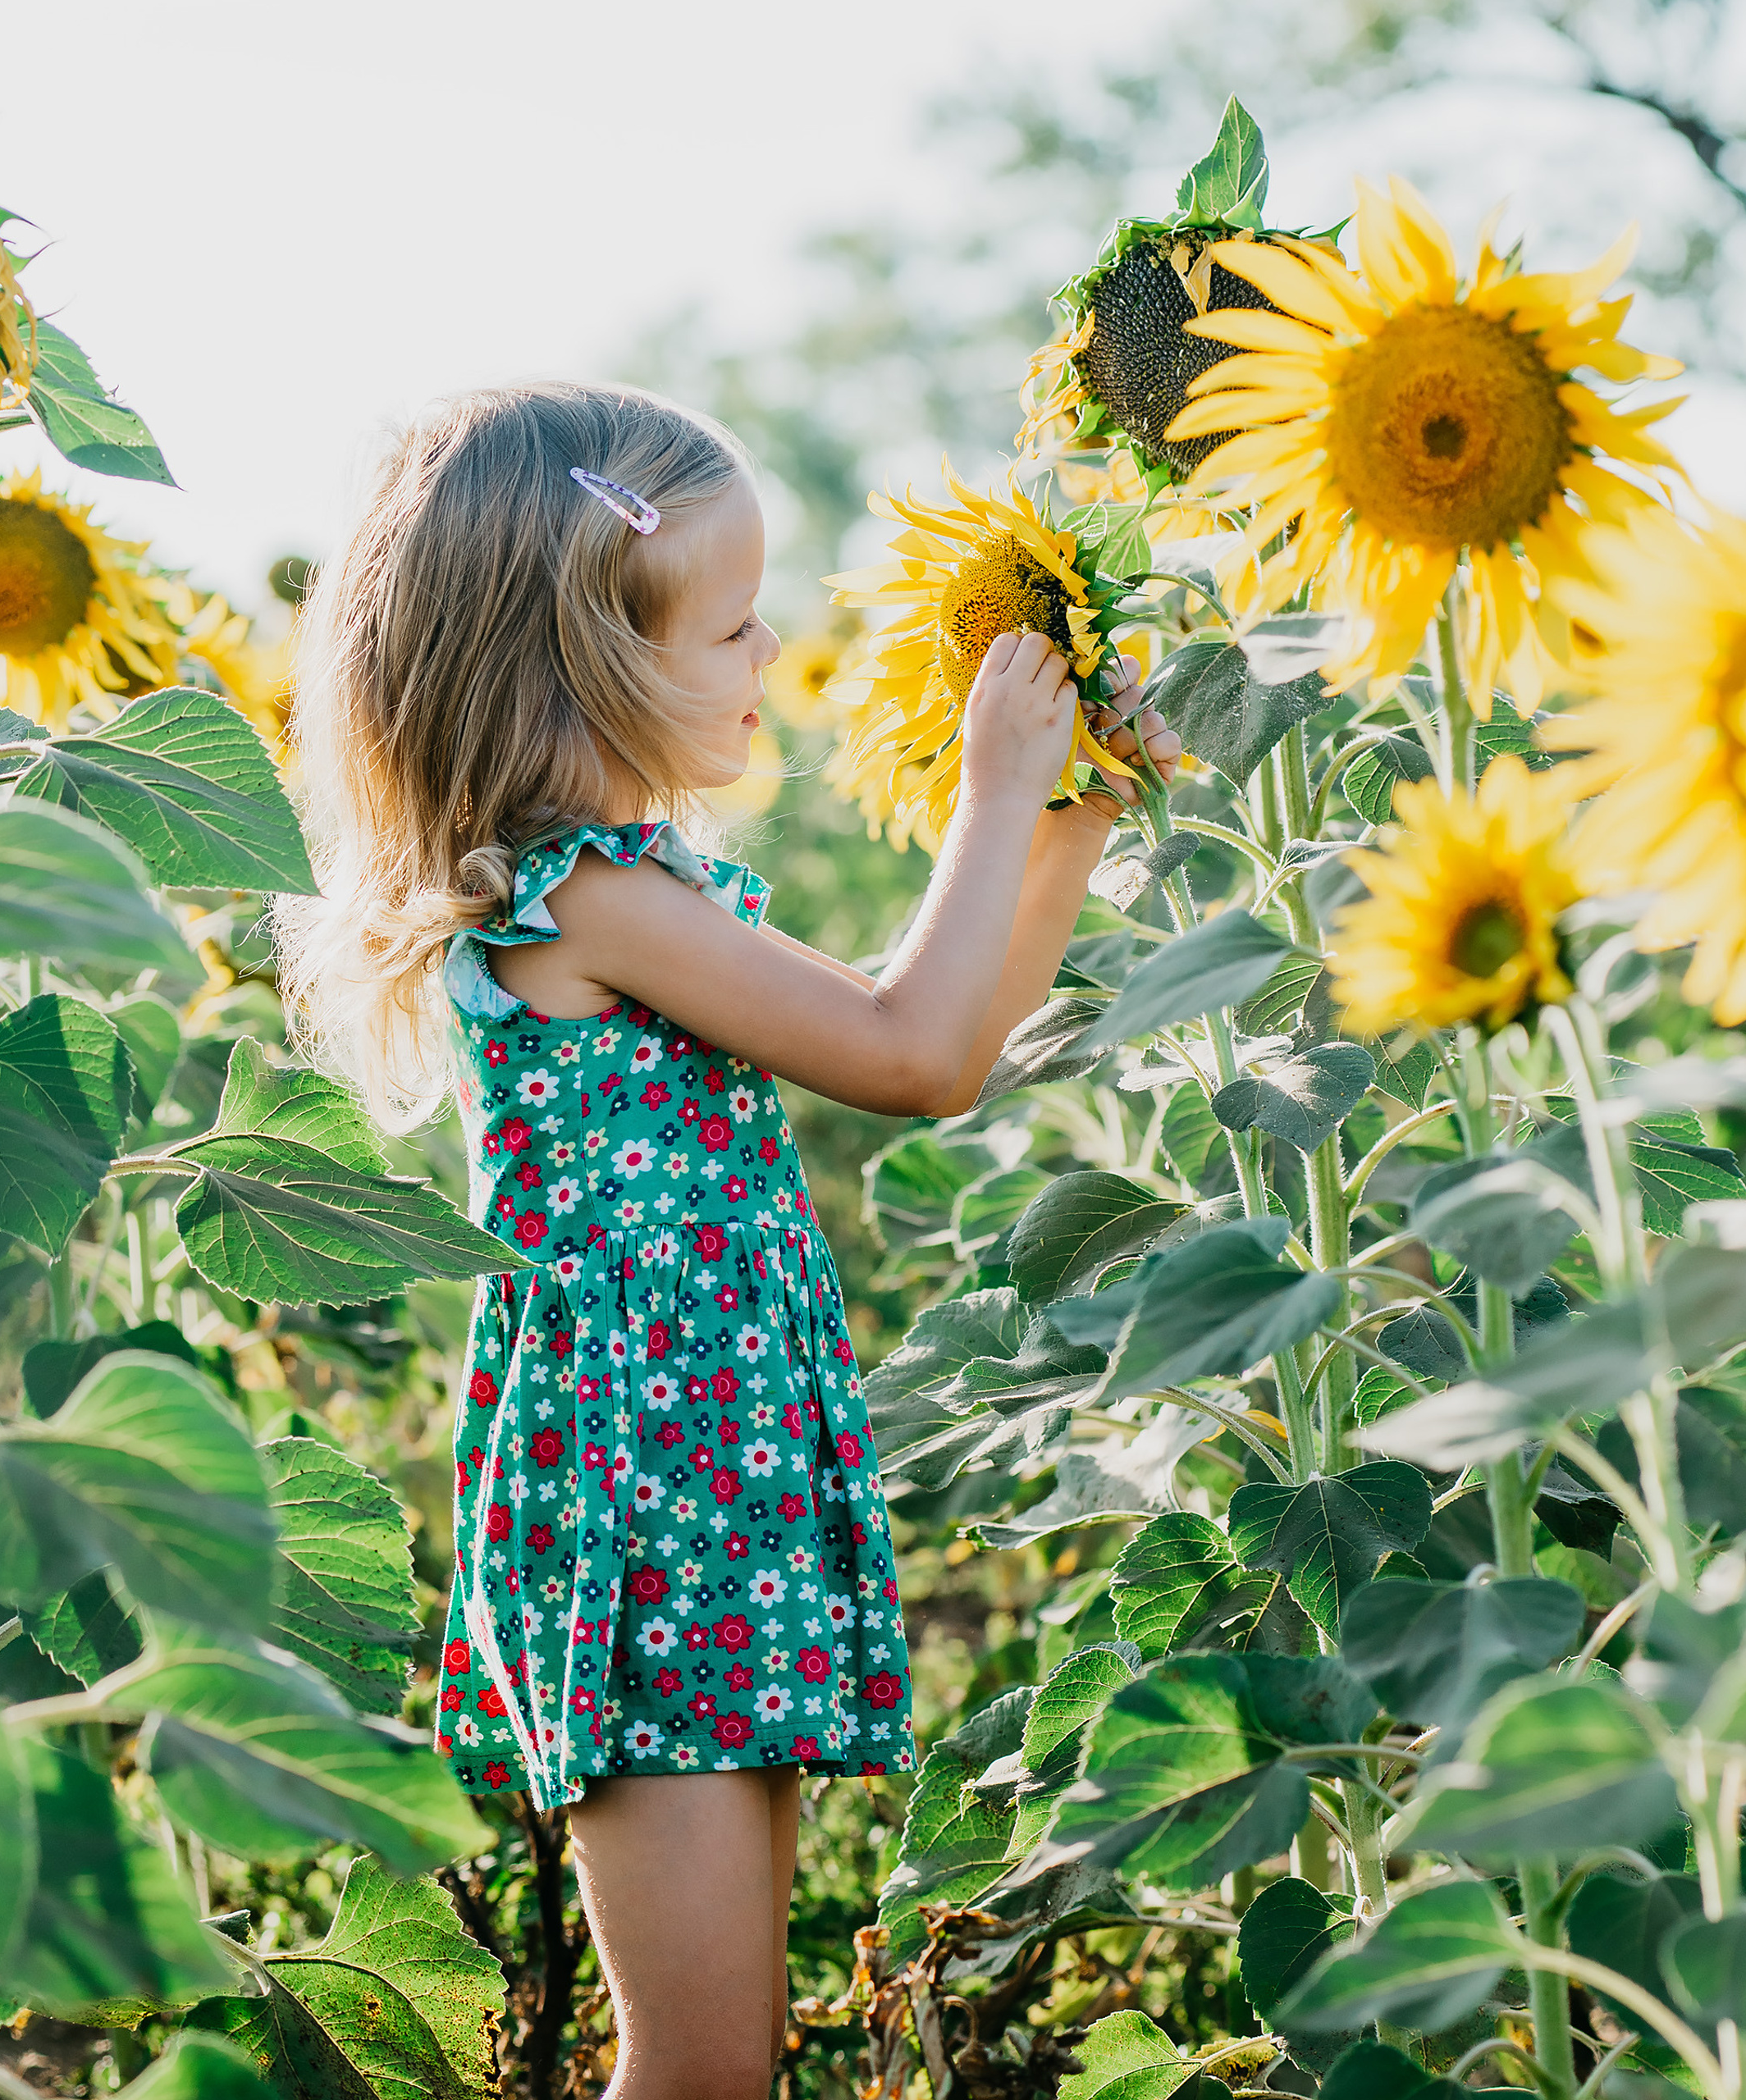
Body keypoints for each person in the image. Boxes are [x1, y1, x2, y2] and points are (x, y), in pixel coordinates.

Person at [274, 381, 1181, 2100]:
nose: (774, 649)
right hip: (651, 1509)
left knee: (721, 2060)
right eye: (734, 620)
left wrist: (1076, 812)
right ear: (582, 662)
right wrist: (993, 786)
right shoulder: (585, 903)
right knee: (694, 2067)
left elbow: (951, 1039)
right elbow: (907, 1049)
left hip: (711, 1488)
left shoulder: (631, 891)